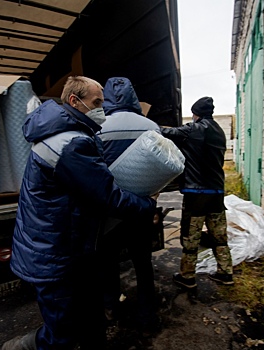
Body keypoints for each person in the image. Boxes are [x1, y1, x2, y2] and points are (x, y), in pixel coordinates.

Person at [4, 76, 158, 350]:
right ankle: (28, 346)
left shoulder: (66, 131)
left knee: (88, 318)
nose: (102, 108)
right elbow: (107, 195)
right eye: (97, 102)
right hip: (55, 252)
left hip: (65, 246)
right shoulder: (72, 143)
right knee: (63, 333)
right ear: (75, 101)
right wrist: (147, 204)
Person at [97, 77, 161, 333]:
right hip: (141, 210)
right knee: (143, 263)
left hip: (109, 211)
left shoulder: (96, 126)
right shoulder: (151, 125)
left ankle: (111, 306)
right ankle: (147, 313)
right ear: (134, 97)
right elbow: (161, 166)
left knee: (108, 262)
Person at [160, 96, 234, 289]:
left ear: (196, 114)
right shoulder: (219, 131)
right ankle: (226, 273)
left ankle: (187, 276)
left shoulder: (194, 129)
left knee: (191, 236)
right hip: (217, 191)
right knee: (219, 236)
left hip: (197, 193)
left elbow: (166, 132)